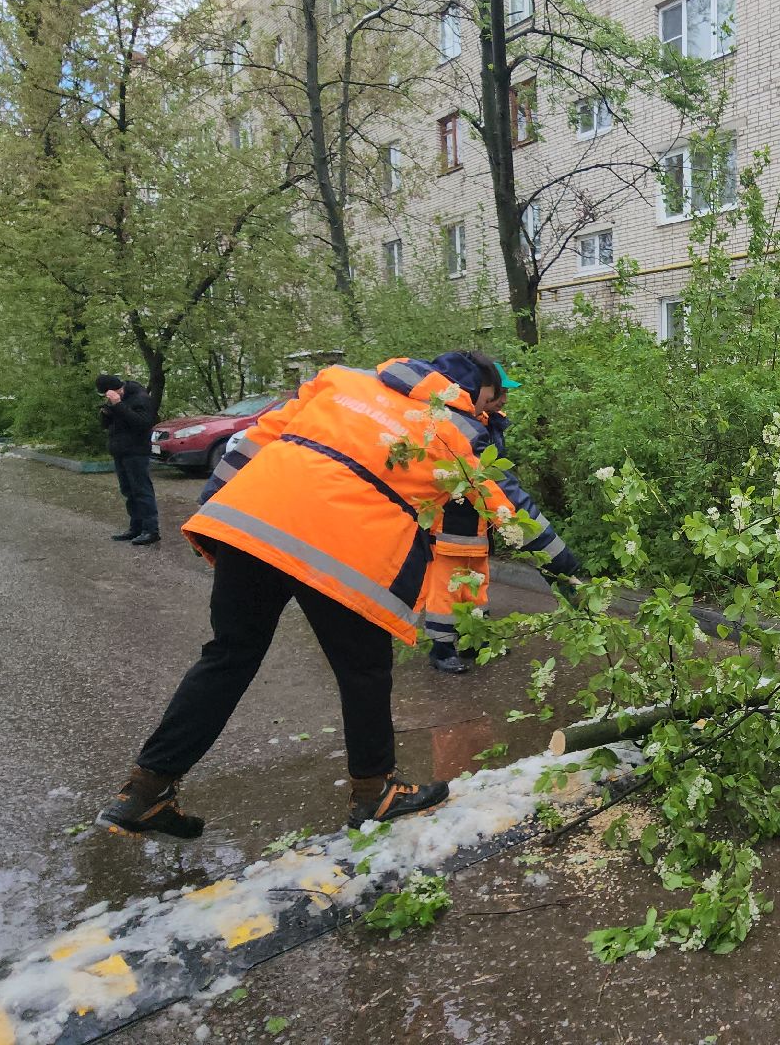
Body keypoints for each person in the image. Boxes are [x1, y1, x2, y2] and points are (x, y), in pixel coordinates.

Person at [97, 352, 583, 838]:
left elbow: (255, 441)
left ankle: (144, 790)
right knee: (363, 670)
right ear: (462, 391)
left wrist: (213, 510)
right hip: (341, 548)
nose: (484, 411)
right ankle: (375, 791)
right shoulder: (452, 430)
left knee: (228, 657)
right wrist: (567, 570)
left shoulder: (340, 382)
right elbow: (509, 506)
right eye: (484, 400)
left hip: (249, 522)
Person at [423, 352, 580, 673]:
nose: (502, 399)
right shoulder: (456, 429)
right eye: (498, 392)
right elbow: (497, 486)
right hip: (450, 525)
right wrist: (555, 561)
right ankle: (442, 648)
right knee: (447, 588)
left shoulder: (481, 422)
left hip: (480, 524)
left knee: (476, 585)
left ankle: (475, 639)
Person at [96, 373, 161, 546]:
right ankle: (136, 527)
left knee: (141, 490)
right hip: (120, 451)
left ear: (116, 389)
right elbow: (106, 425)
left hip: (136, 451)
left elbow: (143, 423)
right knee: (128, 491)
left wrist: (119, 405)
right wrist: (106, 412)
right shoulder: (115, 400)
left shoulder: (140, 397)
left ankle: (151, 530)